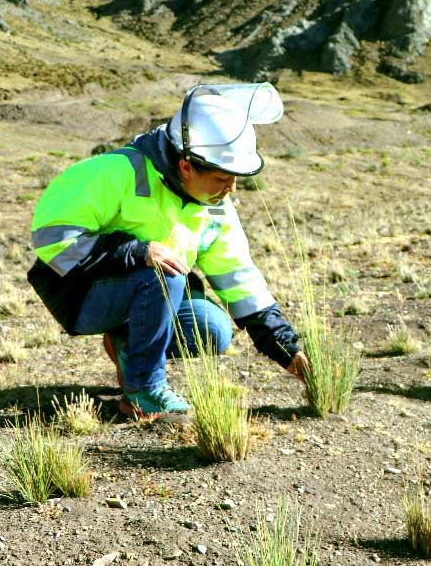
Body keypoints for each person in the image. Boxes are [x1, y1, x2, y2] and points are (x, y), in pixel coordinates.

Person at [27, 83, 309, 418]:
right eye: (222, 178)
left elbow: (239, 280)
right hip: (80, 297)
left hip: (150, 294)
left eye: (236, 179)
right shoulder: (116, 172)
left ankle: (128, 345)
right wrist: (136, 251)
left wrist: (285, 348)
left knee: (213, 331)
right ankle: (143, 391)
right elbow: (51, 238)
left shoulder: (216, 207)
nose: (231, 189)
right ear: (187, 167)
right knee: (163, 272)